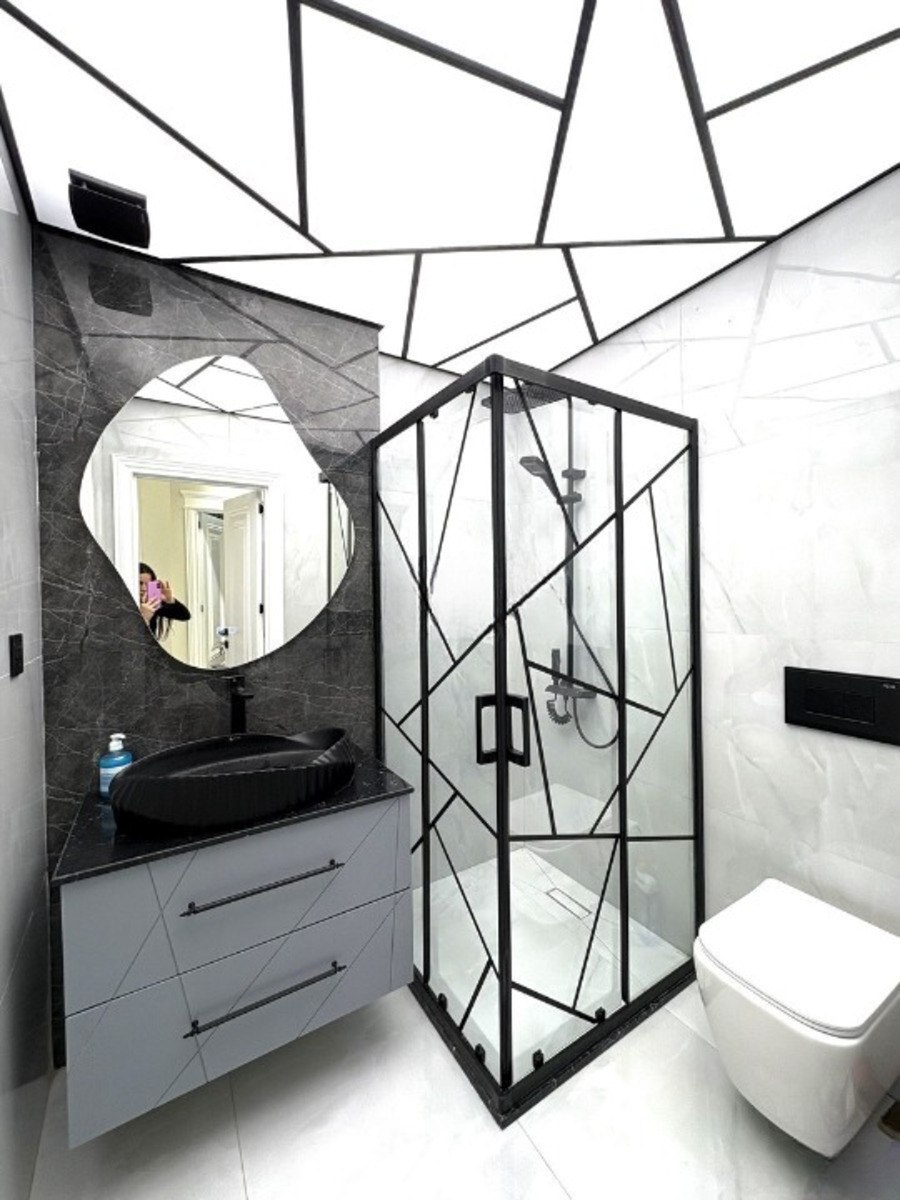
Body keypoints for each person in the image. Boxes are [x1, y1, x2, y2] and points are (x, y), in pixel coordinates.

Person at [138, 562, 191, 640]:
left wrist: (170, 600)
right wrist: (143, 618)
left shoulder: (152, 603)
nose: (144, 588)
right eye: (140, 583)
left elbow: (184, 615)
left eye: (148, 584)